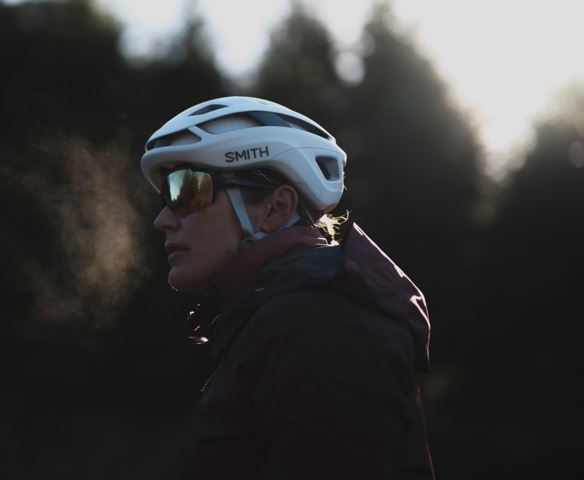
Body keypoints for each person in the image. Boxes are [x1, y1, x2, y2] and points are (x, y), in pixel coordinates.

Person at [139, 96, 434, 479]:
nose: (162, 219)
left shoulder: (321, 321)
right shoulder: (277, 316)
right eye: (164, 197)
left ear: (275, 208)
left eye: (186, 189)